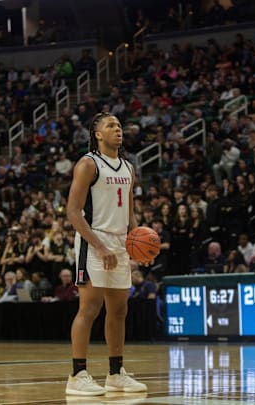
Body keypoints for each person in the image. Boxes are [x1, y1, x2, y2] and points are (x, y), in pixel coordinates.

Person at [65, 112, 150, 396]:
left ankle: (115, 373)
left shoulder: (128, 167)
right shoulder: (88, 164)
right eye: (111, 126)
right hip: (93, 241)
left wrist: (138, 243)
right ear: (97, 134)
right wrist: (99, 246)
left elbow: (129, 213)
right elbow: (73, 213)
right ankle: (77, 375)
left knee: (119, 310)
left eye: (119, 125)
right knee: (89, 309)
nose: (118, 129)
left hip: (119, 242)